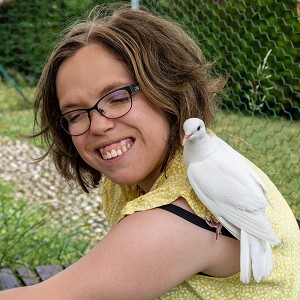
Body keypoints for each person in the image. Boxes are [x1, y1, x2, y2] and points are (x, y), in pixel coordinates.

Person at [1, 3, 299, 299]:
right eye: (76, 114)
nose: (98, 126)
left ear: (168, 89)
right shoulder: (151, 173)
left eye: (117, 97)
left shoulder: (177, 216)